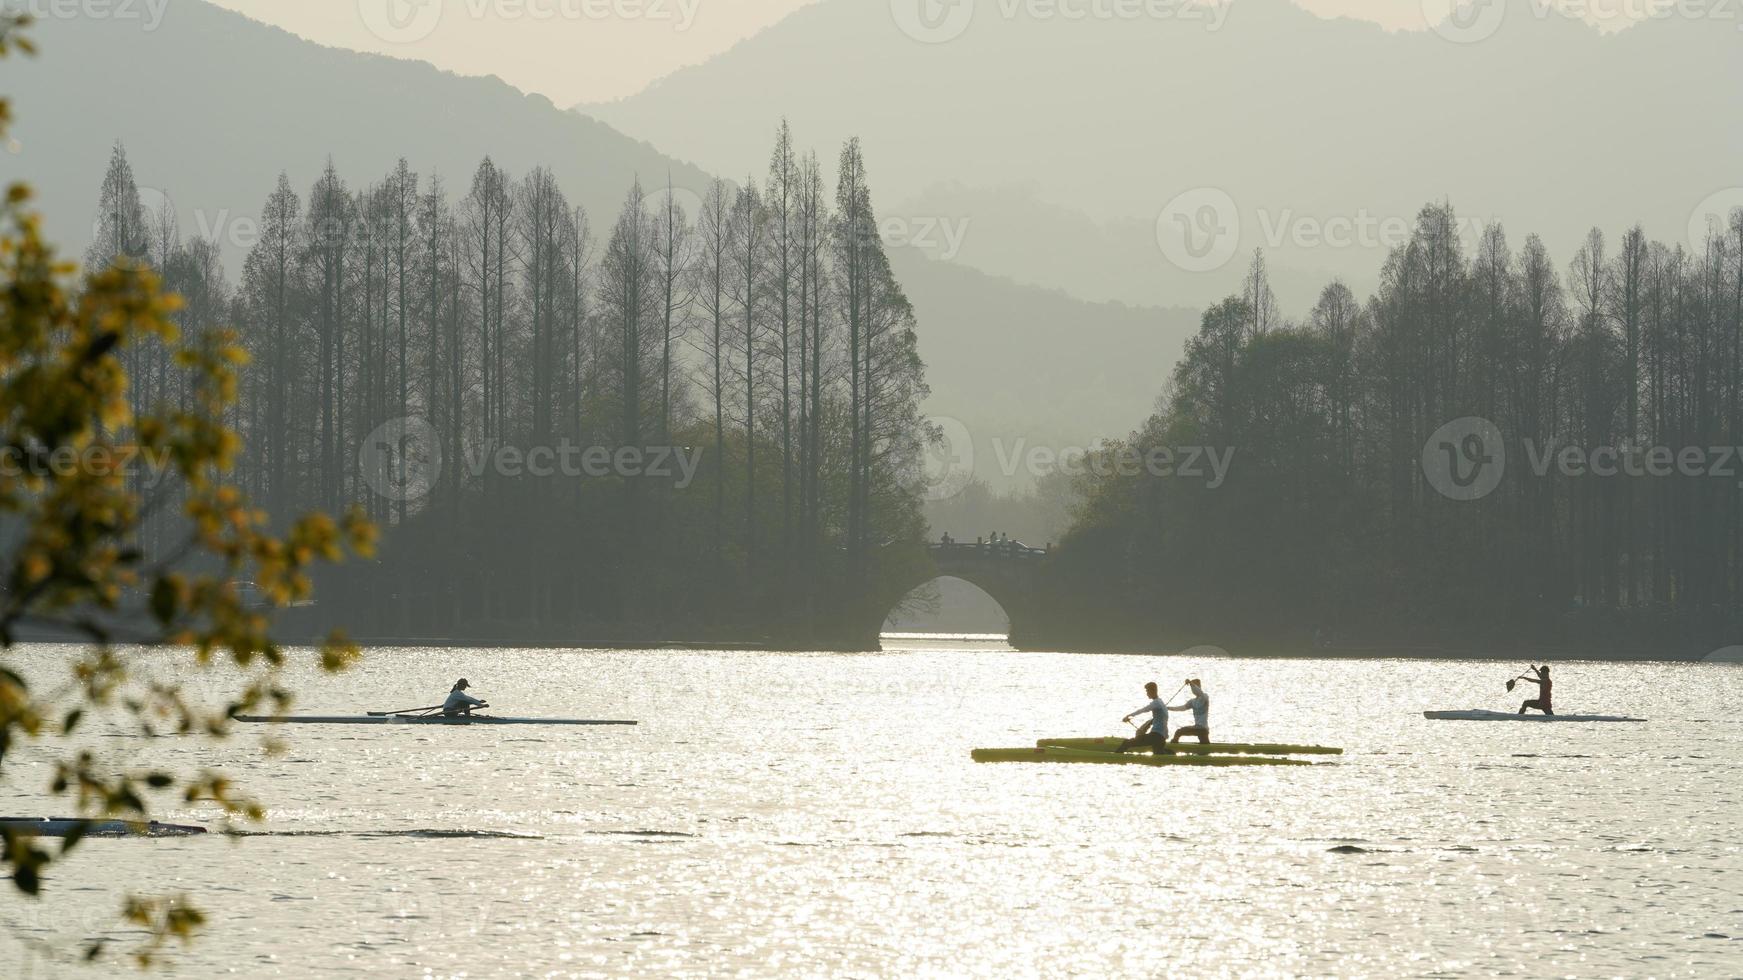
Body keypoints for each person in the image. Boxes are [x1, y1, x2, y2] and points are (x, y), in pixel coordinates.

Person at [1114, 682, 1173, 754]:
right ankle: (1171, 754)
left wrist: (1129, 716)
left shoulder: (1156, 703)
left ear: (1152, 691)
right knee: (1158, 752)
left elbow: (1143, 710)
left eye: (1147, 691)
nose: (1147, 693)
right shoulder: (1161, 702)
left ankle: (1115, 757)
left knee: (1127, 743)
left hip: (1155, 736)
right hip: (1161, 738)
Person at [1170, 678, 1211, 743]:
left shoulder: (1205, 697)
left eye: (1195, 686)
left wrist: (1191, 683)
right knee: (1178, 732)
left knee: (1179, 732)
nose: (1193, 689)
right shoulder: (1192, 702)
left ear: (1199, 687)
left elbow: (1199, 692)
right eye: (1192, 688)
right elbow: (1182, 708)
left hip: (1203, 729)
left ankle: (1172, 747)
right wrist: (1169, 708)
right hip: (1197, 728)